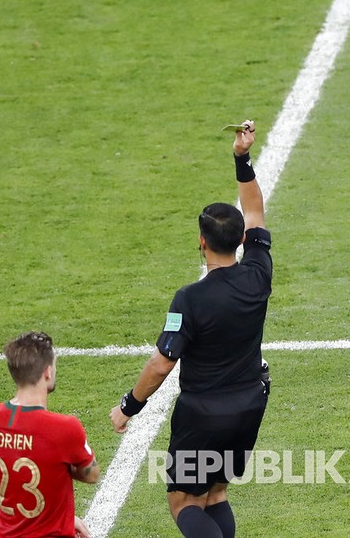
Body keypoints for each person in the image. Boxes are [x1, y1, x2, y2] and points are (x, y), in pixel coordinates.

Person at [109, 121, 271, 537]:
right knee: (216, 495)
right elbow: (254, 209)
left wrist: (128, 406)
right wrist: (242, 157)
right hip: (251, 403)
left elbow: (162, 364)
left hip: (205, 414)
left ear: (202, 241)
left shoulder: (190, 299)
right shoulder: (258, 273)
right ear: (241, 241)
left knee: (183, 501)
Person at [0, 332, 100, 538]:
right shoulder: (64, 427)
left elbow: (18, 476)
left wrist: (63, 517)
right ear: (47, 371)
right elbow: (92, 474)